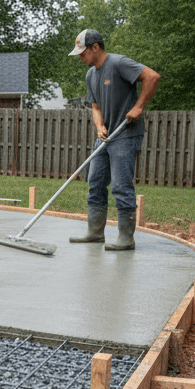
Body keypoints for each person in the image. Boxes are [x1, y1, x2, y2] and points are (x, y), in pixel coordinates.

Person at [67, 29, 160, 250]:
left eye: (82, 53)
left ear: (95, 47)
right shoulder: (91, 74)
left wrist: (138, 107)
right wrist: (99, 126)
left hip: (126, 134)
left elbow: (152, 76)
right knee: (95, 183)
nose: (80, 58)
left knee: (120, 185)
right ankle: (95, 233)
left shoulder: (119, 63)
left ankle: (126, 238)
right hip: (106, 137)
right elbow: (95, 106)